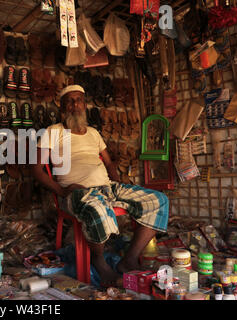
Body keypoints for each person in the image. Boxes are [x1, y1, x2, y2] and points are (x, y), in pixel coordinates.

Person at [31, 85, 169, 286]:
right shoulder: (53, 131)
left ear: (85, 105)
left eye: (79, 100)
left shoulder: (94, 133)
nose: (75, 104)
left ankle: (129, 258)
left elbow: (109, 162)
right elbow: (36, 170)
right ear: (62, 108)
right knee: (97, 210)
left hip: (107, 187)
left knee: (159, 200)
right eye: (70, 101)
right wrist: (62, 191)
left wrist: (119, 181)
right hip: (77, 192)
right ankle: (99, 260)